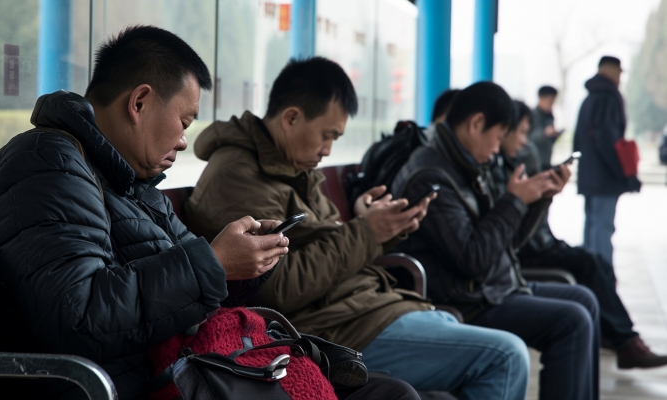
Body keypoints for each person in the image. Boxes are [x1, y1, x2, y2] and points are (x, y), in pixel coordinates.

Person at [0, 26, 419, 400]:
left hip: (188, 369)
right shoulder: (46, 163)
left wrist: (246, 263)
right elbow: (81, 316)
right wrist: (215, 263)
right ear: (139, 102)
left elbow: (194, 270)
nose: (185, 141)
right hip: (132, 384)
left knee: (392, 393)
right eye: (184, 121)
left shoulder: (132, 182)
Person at [185, 57, 530, 399]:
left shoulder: (293, 167)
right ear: (291, 118)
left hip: (365, 309)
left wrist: (377, 225)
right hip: (332, 331)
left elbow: (327, 242)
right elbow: (279, 288)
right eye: (327, 135)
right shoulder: (238, 177)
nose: (328, 149)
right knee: (505, 356)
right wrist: (367, 231)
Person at [392, 82, 600, 400]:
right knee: (572, 321)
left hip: (493, 285)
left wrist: (538, 198)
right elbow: (471, 259)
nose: (498, 147)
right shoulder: (431, 177)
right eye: (499, 136)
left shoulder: (465, 163)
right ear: (476, 124)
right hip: (469, 298)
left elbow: (507, 241)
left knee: (585, 300)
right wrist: (514, 201)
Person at [512, 101, 667, 369]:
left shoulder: (509, 161)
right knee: (590, 264)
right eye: (522, 132)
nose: (525, 141)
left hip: (536, 243)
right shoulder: (507, 165)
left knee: (596, 261)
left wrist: (542, 196)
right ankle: (624, 341)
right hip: (527, 252)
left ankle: (618, 336)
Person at [574, 56, 641, 266]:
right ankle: (602, 275)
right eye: (619, 72)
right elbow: (608, 139)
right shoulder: (608, 98)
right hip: (605, 177)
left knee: (592, 225)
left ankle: (590, 272)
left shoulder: (589, 99)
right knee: (603, 227)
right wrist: (624, 173)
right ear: (609, 71)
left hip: (589, 175)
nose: (620, 78)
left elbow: (578, 141)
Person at [527, 86, 560, 169]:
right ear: (541, 98)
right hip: (533, 162)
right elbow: (528, 139)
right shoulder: (532, 115)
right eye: (550, 102)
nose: (552, 105)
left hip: (546, 160)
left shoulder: (550, 116)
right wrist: (545, 133)